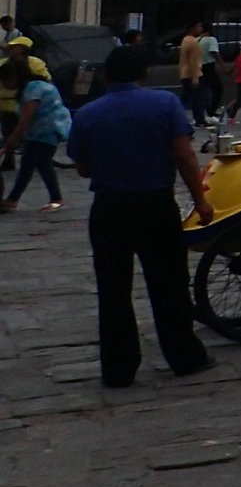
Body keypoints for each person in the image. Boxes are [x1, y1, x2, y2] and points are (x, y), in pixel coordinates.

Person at [70, 44, 215, 386]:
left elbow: (82, 168)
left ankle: (118, 368)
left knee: (113, 289)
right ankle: (184, 355)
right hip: (156, 204)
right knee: (169, 284)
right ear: (144, 75)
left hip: (109, 208)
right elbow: (184, 155)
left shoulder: (87, 114)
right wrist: (201, 201)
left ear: (106, 76)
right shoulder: (164, 103)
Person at [0, 58, 72, 210]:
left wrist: (13, 138)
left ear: (13, 78)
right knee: (27, 164)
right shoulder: (34, 87)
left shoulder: (33, 90)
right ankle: (13, 199)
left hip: (48, 130)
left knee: (42, 162)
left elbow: (27, 117)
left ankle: (56, 198)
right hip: (37, 132)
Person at [178, 21, 210, 128]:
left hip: (185, 73)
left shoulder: (185, 40)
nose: (201, 28)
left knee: (187, 97)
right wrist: (195, 78)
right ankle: (199, 119)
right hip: (193, 74)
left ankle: (179, 115)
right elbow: (194, 61)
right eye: (199, 26)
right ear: (193, 28)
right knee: (197, 98)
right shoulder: (193, 43)